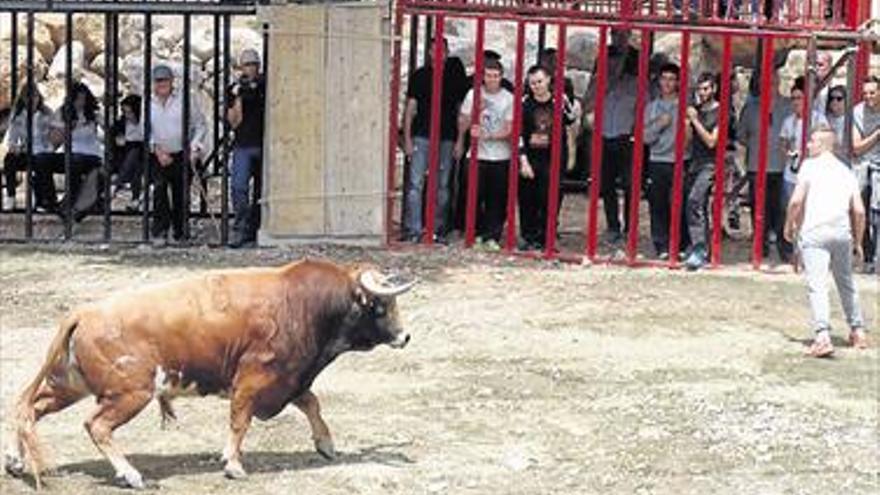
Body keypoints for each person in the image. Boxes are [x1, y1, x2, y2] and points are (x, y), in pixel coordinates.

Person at [783, 124, 868, 357]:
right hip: (842, 233)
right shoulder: (846, 171)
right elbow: (859, 211)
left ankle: (822, 335)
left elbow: (796, 201)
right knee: (846, 283)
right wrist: (858, 242)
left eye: (811, 141)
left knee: (817, 285)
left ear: (821, 144)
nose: (808, 145)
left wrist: (789, 224)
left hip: (815, 232)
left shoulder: (809, 167)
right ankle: (857, 329)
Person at [402, 38, 467, 243]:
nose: (438, 54)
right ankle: (414, 230)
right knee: (415, 184)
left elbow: (460, 112)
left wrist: (459, 140)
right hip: (422, 134)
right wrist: (407, 139)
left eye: (442, 50)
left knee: (444, 185)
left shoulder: (453, 77)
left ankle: (437, 230)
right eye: (434, 50)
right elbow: (410, 110)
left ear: (447, 52)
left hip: (447, 136)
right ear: (429, 52)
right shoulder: (420, 76)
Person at [582, 28, 638, 244]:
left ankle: (629, 227)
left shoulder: (634, 84)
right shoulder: (598, 84)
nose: (614, 66)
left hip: (626, 137)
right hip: (603, 135)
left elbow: (644, 106)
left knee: (630, 184)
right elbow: (587, 104)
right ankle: (613, 226)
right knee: (606, 184)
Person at [453, 57, 514, 249]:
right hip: (477, 155)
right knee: (473, 194)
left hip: (501, 155)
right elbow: (462, 120)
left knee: (497, 198)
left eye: (496, 76)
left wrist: (488, 135)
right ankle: (476, 233)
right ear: (483, 77)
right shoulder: (473, 95)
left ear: (501, 77)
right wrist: (462, 139)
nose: (492, 79)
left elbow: (510, 128)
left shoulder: (508, 98)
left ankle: (492, 236)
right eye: (488, 75)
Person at [149, 63, 207, 246]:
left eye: (165, 80)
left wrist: (195, 146)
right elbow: (145, 130)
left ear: (172, 81)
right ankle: (160, 230)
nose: (161, 84)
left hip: (182, 152)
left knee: (180, 193)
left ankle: (180, 231)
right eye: (158, 81)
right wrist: (157, 150)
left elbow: (200, 124)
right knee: (159, 190)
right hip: (158, 153)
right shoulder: (148, 101)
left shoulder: (185, 99)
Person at [518, 64, 572, 251]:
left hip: (554, 157)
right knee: (528, 198)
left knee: (550, 198)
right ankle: (529, 237)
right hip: (532, 157)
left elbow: (572, 121)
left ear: (549, 80)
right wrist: (523, 160)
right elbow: (519, 134)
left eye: (540, 82)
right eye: (532, 83)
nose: (536, 86)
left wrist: (563, 105)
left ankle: (547, 237)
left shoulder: (559, 101)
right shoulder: (525, 103)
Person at [36, 82, 104, 222]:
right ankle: (50, 200)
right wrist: (67, 128)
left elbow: (109, 128)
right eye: (78, 99)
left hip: (90, 155)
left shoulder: (93, 113)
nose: (81, 102)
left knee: (75, 162)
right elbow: (54, 139)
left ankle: (70, 202)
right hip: (69, 153)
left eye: (83, 99)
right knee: (42, 159)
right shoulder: (63, 112)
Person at [643, 62, 688, 259]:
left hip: (680, 160)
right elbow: (644, 137)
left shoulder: (685, 106)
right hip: (657, 160)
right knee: (658, 204)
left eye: (672, 79)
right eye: (664, 79)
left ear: (678, 82)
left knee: (680, 203)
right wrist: (659, 125)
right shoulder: (651, 108)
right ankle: (661, 245)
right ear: (659, 82)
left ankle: (680, 244)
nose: (668, 83)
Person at [226, 48, 266, 248]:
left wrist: (249, 88)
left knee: (262, 191)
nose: (251, 68)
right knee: (238, 188)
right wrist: (238, 95)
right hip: (243, 144)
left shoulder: (264, 84)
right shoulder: (234, 88)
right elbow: (233, 121)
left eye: (253, 64)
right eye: (247, 64)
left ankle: (255, 228)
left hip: (264, 144)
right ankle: (241, 227)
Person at [683, 72, 720, 270]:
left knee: (695, 201)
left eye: (706, 88)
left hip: (710, 163)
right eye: (700, 89)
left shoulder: (720, 112)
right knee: (697, 204)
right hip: (694, 162)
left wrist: (695, 121)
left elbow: (712, 141)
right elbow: (686, 142)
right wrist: (687, 124)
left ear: (713, 89)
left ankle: (700, 249)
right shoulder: (695, 111)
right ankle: (699, 247)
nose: (703, 93)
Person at [2, 86, 54, 210]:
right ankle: (11, 197)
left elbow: (54, 138)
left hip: (42, 151)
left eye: (35, 96)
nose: (32, 100)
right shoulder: (18, 116)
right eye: (28, 97)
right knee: (9, 159)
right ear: (23, 99)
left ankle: (42, 200)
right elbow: (12, 138)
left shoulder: (47, 114)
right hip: (26, 151)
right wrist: (15, 147)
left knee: (41, 162)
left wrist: (47, 148)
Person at [852, 75, 880, 272]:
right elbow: (857, 147)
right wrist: (878, 134)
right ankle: (866, 256)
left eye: (872, 92)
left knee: (877, 215)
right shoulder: (857, 112)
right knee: (860, 213)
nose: (868, 96)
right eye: (865, 93)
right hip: (862, 166)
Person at [110, 94, 145, 211]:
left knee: (136, 155)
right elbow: (113, 143)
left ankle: (117, 185)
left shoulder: (145, 123)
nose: (127, 115)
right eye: (125, 112)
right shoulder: (121, 124)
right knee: (135, 163)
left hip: (144, 156)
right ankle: (135, 199)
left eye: (130, 112)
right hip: (124, 157)